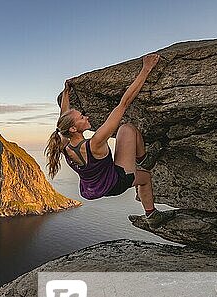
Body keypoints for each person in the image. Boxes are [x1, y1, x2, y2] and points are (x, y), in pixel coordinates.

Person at [45, 53, 171, 227]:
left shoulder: (63, 143)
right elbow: (124, 103)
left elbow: (63, 118)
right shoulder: (95, 143)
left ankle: (150, 212)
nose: (86, 116)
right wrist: (146, 69)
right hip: (117, 182)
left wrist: (66, 91)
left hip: (94, 188)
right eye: (82, 117)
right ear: (74, 129)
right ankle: (151, 208)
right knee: (128, 132)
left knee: (123, 133)